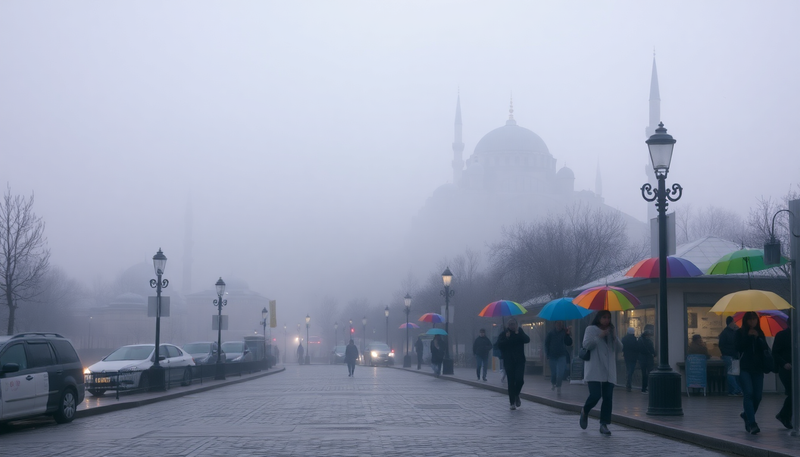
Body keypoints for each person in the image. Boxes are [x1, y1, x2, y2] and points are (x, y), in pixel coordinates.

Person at [579, 310, 621, 436]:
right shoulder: (591, 329)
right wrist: (600, 336)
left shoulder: (611, 330)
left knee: (608, 398)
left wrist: (614, 338)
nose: (607, 320)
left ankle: (604, 424)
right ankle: (585, 410)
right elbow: (586, 344)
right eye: (604, 317)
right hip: (595, 368)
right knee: (595, 395)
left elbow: (620, 349)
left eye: (609, 317)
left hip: (609, 370)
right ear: (598, 318)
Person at [736, 311, 770, 435]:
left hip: (758, 369)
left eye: (754, 319)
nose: (752, 322)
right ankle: (752, 423)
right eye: (750, 319)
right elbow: (738, 348)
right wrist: (747, 337)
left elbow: (765, 349)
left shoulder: (760, 333)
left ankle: (746, 415)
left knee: (758, 396)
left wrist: (758, 338)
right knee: (748, 393)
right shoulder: (740, 333)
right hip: (744, 368)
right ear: (745, 321)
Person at [496, 318, 530, 410]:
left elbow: (527, 340)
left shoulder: (520, 331)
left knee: (520, 380)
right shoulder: (504, 333)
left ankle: (516, 394)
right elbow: (498, 345)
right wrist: (507, 338)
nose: (512, 326)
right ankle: (512, 402)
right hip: (509, 361)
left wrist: (518, 334)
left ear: (516, 324)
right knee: (511, 382)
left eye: (514, 324)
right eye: (510, 324)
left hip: (520, 361)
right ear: (508, 325)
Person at [772, 317, 793, 430]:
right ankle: (784, 415)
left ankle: (785, 415)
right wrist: (784, 364)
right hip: (786, 369)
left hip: (795, 368)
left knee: (794, 394)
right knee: (793, 393)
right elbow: (775, 352)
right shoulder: (781, 335)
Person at [545, 321, 572, 394]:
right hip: (552, 355)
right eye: (557, 323)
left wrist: (567, 335)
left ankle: (559, 386)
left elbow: (569, 343)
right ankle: (553, 382)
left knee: (560, 372)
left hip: (562, 355)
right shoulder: (551, 333)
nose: (559, 325)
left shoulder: (564, 333)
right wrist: (547, 354)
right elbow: (546, 344)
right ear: (555, 324)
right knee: (554, 372)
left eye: (560, 324)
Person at [718, 315, 743, 396]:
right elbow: (722, 345)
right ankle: (736, 390)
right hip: (730, 355)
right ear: (731, 322)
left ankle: (734, 390)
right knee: (732, 373)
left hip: (731, 355)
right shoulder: (727, 333)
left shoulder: (726, 332)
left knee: (733, 373)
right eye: (734, 322)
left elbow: (721, 345)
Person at [638, 325, 655, 394]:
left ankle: (643, 388)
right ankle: (647, 387)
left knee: (644, 374)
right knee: (649, 373)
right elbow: (652, 350)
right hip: (648, 359)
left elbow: (638, 349)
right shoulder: (649, 341)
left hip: (642, 359)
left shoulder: (640, 340)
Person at [621, 327, 639, 392]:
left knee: (629, 368)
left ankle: (628, 381)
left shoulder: (624, 339)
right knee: (631, 369)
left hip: (627, 356)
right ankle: (629, 380)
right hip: (634, 357)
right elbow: (637, 348)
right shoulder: (635, 339)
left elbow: (622, 347)